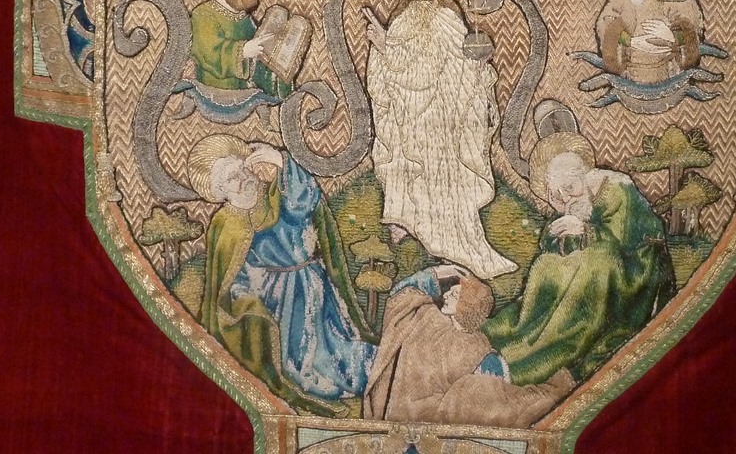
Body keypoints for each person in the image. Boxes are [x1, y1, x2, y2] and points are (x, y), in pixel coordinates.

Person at [187, 133, 377, 416]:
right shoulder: (225, 223)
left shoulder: (273, 198)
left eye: (242, 168)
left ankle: (370, 370)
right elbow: (229, 278)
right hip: (277, 301)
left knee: (336, 345)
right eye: (230, 179)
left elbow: (304, 202)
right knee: (302, 365)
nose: (242, 178)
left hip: (311, 285)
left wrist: (279, 160)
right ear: (219, 191)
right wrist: (245, 301)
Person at [482, 133, 676, 386]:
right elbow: (555, 240)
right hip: (599, 264)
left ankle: (524, 365)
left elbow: (627, 241)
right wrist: (559, 232)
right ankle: (511, 339)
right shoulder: (574, 203)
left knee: (595, 263)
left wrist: (585, 230)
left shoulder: (618, 188)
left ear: (585, 175)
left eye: (570, 188)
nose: (566, 198)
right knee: (546, 265)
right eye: (556, 195)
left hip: (635, 277)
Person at [365, 0, 516, 279]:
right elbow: (389, 73)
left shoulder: (448, 19)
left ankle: (454, 239)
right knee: (410, 171)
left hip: (443, 118)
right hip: (408, 118)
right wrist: (381, 46)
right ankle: (413, 227)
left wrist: (386, 47)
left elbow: (439, 66)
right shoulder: (401, 21)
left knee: (442, 177)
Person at [365, 265, 573, 426]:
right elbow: (401, 297)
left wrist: (438, 272)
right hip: (409, 422)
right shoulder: (430, 322)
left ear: (467, 305)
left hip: (420, 424)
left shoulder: (437, 326)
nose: (445, 295)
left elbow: (402, 295)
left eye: (455, 294)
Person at [190, 0, 289, 98]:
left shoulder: (243, 16)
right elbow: (209, 54)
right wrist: (243, 51)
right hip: (219, 90)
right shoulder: (203, 14)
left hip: (249, 86)